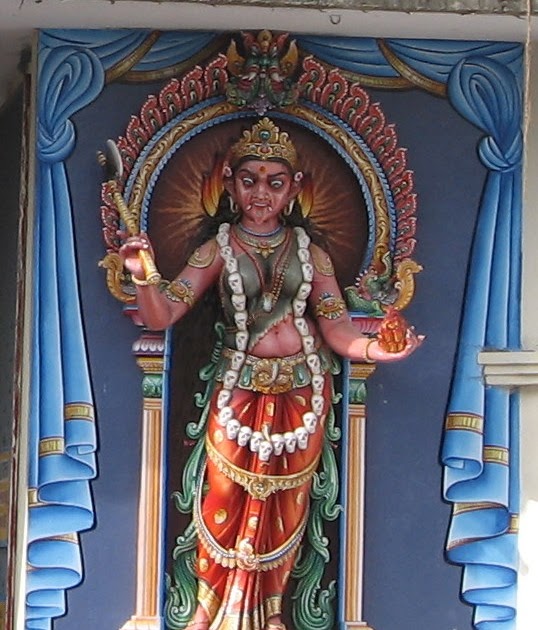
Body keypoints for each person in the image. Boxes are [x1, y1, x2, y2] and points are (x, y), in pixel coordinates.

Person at [119, 118, 422, 630]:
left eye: (275, 183)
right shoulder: (216, 250)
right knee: (222, 494)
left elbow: (337, 326)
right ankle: (209, 608)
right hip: (238, 389)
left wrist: (377, 349)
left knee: (287, 502)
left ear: (295, 188)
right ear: (229, 183)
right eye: (250, 180)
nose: (261, 194)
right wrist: (142, 275)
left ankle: (273, 611)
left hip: (303, 391)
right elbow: (163, 315)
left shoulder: (312, 255)